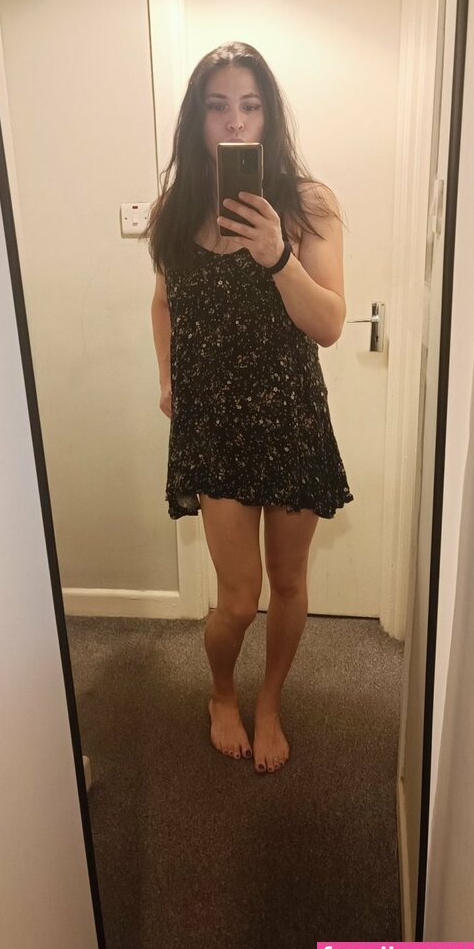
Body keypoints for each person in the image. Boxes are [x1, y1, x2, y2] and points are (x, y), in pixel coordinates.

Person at [144, 41, 353, 775]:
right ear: (196, 119)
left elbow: (330, 324)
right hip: (214, 427)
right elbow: (163, 303)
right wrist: (168, 379)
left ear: (269, 115)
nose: (234, 121)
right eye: (218, 106)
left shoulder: (308, 205)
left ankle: (268, 703)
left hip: (290, 418)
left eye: (250, 105)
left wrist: (277, 255)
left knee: (289, 583)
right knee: (237, 600)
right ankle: (222, 692)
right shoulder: (176, 210)